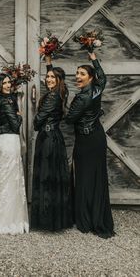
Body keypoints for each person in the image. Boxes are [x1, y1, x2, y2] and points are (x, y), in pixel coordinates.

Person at [65, 51, 115, 239]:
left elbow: (70, 119)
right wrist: (94, 59)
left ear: (90, 78)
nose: (77, 76)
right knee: (96, 177)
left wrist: (64, 107)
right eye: (77, 73)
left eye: (82, 74)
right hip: (97, 137)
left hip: (86, 141)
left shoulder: (82, 97)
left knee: (85, 179)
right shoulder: (96, 89)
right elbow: (103, 77)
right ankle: (96, 214)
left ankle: (86, 218)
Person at [31, 55, 73, 231]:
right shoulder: (60, 92)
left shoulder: (51, 97)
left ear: (58, 80)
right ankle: (55, 218)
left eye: (51, 78)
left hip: (47, 138)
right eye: (47, 77)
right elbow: (54, 76)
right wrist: (48, 62)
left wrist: (35, 112)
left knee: (46, 178)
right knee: (53, 177)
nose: (48, 79)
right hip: (53, 136)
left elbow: (37, 122)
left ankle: (47, 220)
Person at [0, 73, 29, 234]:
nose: (8, 85)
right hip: (10, 140)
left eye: (9, 82)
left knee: (4, 176)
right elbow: (15, 123)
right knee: (11, 178)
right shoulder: (7, 101)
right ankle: (8, 219)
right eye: (4, 83)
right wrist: (19, 116)